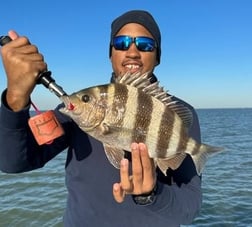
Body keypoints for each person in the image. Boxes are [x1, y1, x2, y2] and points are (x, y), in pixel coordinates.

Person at [0, 10, 202, 226]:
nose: (132, 51)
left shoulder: (175, 114)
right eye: (122, 42)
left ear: (157, 56)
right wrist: (16, 97)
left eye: (145, 44)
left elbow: (190, 207)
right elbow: (13, 162)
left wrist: (152, 193)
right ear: (110, 53)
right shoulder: (76, 111)